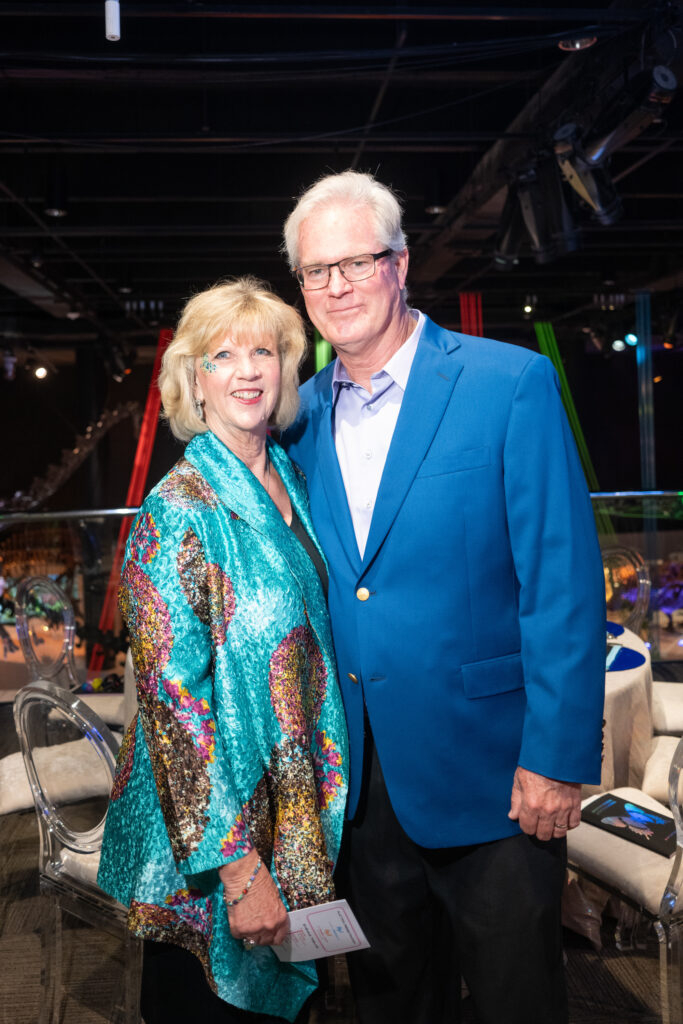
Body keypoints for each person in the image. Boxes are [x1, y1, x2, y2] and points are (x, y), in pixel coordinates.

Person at [280, 171, 606, 1024]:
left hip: (497, 777)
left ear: (401, 263)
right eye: (317, 271)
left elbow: (562, 586)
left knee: (515, 1000)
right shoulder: (296, 419)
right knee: (389, 1003)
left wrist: (557, 758)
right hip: (355, 784)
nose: (337, 286)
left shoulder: (509, 384)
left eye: (357, 262)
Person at [97, 277, 349, 1024]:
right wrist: (239, 872)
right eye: (222, 355)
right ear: (193, 381)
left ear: (285, 369)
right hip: (217, 847)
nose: (247, 370)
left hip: (293, 813)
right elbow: (174, 710)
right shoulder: (176, 510)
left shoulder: (289, 479)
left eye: (264, 351)